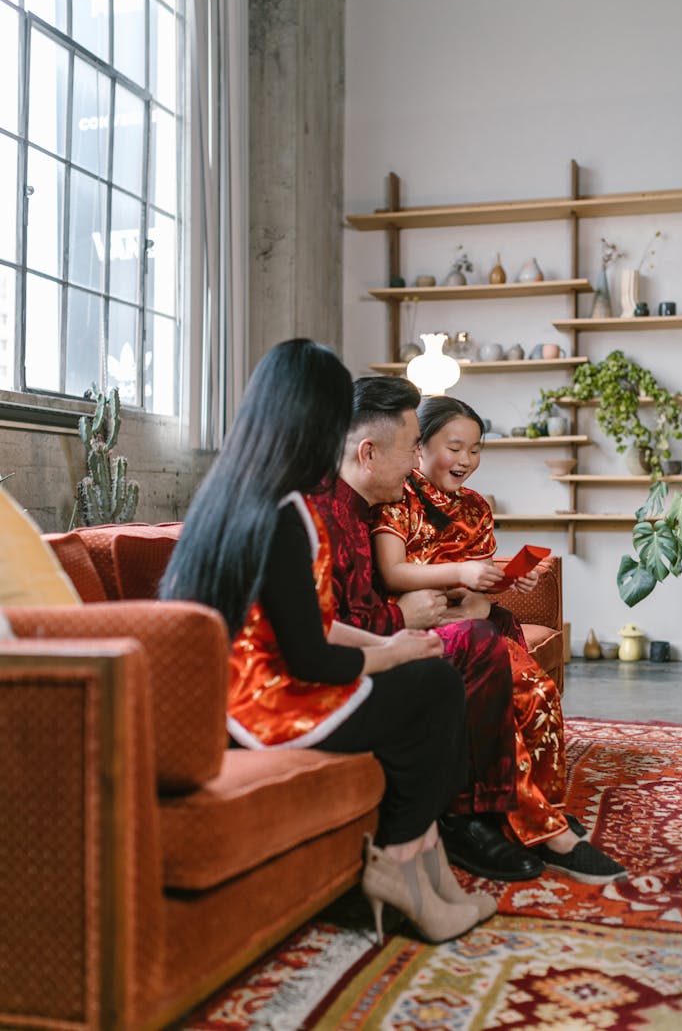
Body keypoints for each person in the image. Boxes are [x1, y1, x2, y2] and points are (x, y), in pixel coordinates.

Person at [160, 339, 495, 944]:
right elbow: (310, 656)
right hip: (262, 707)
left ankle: (423, 858)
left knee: (430, 677)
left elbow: (306, 625)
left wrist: (394, 646)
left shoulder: (240, 494)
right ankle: (400, 862)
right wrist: (391, 650)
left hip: (246, 692)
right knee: (436, 691)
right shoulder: (284, 513)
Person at [371, 394, 627, 884]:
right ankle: (541, 829)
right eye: (455, 447)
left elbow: (477, 586)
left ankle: (539, 813)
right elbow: (392, 571)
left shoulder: (477, 508)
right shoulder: (397, 499)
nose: (466, 460)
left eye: (475, 449)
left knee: (542, 695)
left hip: (477, 621)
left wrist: (507, 578)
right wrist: (466, 573)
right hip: (432, 629)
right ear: (418, 446)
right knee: (512, 695)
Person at [311, 377, 545, 883]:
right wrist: (403, 618)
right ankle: (468, 818)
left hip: (386, 635)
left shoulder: (361, 508)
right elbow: (325, 627)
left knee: (490, 631)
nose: (419, 460)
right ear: (370, 453)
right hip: (344, 665)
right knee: (474, 644)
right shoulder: (321, 515)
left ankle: (517, 804)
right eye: (414, 446)